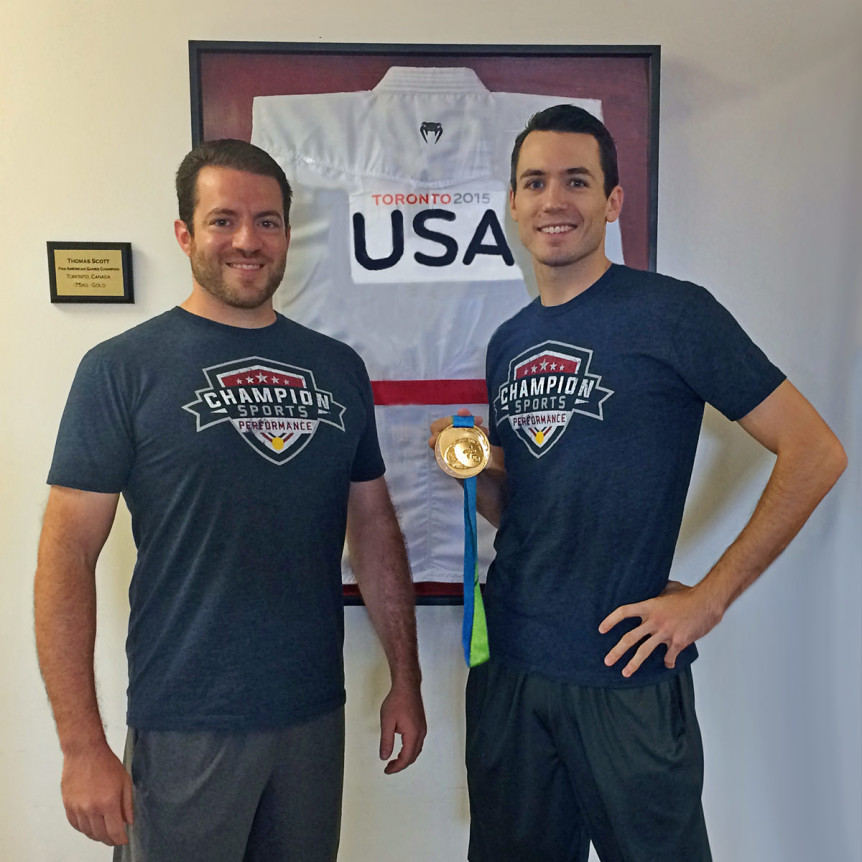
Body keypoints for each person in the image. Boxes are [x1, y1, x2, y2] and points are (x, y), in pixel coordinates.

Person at [428, 105, 846, 862]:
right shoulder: (510, 340)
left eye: (576, 181)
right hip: (511, 665)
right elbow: (518, 511)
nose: (554, 200)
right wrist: (478, 467)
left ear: (613, 201)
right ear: (514, 204)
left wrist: (708, 599)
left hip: (623, 672)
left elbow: (815, 451)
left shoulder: (673, 313)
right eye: (535, 182)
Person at [35, 139, 426, 861]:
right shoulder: (121, 369)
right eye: (223, 220)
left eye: (267, 221)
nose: (247, 240)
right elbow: (66, 553)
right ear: (184, 233)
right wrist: (81, 744)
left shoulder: (337, 370)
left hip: (312, 714)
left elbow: (372, 527)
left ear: (286, 234)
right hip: (186, 721)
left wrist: (407, 678)